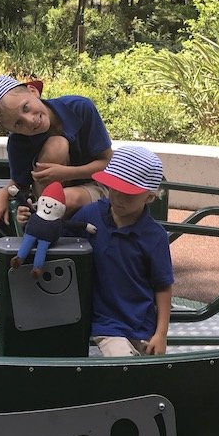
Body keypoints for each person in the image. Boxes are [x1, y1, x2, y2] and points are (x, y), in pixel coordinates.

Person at [71, 144, 173, 357]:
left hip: (141, 321)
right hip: (106, 321)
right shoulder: (90, 215)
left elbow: (162, 286)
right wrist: (30, 219)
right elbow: (59, 236)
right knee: (122, 361)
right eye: (113, 188)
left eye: (128, 194)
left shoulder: (154, 236)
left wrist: (161, 333)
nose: (117, 198)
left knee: (144, 372)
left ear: (150, 196)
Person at [0, 75, 113, 227]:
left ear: (33, 91)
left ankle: (40, 218)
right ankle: (39, 216)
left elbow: (108, 164)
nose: (30, 120)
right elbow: (19, 183)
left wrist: (67, 173)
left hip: (92, 185)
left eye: (26, 107)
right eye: (18, 124)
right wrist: (2, 193)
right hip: (45, 195)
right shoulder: (18, 141)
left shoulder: (80, 107)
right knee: (57, 149)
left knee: (64, 197)